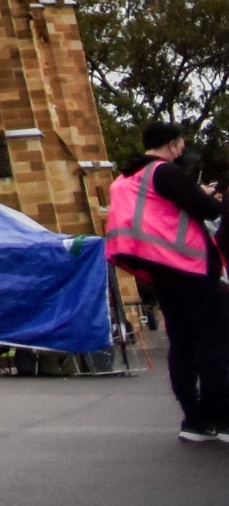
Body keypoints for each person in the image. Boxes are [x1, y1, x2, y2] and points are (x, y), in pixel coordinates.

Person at [106, 119, 226, 444]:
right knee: (215, 340)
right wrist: (213, 197)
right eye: (181, 146)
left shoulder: (126, 178)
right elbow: (208, 209)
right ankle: (221, 417)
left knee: (183, 343)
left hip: (160, 271)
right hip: (189, 266)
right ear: (173, 145)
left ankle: (194, 418)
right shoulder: (165, 172)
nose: (182, 152)